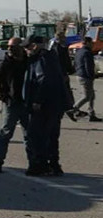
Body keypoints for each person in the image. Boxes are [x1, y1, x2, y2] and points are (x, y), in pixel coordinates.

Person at [23, 35, 72, 176]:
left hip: (46, 105)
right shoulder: (51, 57)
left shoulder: (41, 59)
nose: (26, 51)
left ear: (34, 46)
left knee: (36, 134)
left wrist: (38, 100)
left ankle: (40, 164)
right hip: (55, 103)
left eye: (27, 47)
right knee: (51, 135)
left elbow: (43, 80)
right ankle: (54, 164)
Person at [0, 38, 29, 173]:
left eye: (14, 46)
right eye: (9, 46)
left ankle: (33, 163)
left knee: (29, 135)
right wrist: (4, 98)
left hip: (26, 103)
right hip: (11, 104)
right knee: (5, 133)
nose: (11, 49)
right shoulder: (5, 64)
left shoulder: (27, 62)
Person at [71, 42, 100, 122]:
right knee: (87, 96)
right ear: (87, 43)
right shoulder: (87, 52)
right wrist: (91, 75)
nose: (93, 45)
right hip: (86, 76)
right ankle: (73, 109)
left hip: (80, 74)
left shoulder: (79, 51)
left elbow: (75, 63)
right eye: (91, 43)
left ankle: (91, 114)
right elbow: (88, 65)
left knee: (92, 96)